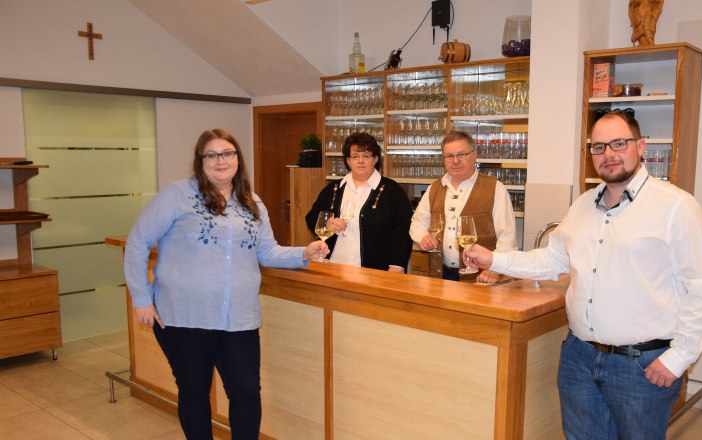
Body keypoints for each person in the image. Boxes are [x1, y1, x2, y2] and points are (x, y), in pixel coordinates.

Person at [464, 111, 702, 439]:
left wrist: (680, 357)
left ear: (640, 146)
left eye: (619, 143)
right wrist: (493, 259)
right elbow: (552, 260)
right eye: (599, 147)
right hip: (579, 356)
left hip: (641, 364)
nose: (609, 154)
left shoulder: (676, 207)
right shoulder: (583, 205)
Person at [124, 128, 328, 440]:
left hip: (240, 319)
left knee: (246, 393)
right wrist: (141, 298)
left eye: (228, 153)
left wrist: (304, 252)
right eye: (212, 154)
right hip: (183, 318)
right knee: (193, 392)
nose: (221, 160)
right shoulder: (177, 194)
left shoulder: (252, 201)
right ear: (201, 160)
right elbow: (138, 242)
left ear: (237, 159)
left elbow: (266, 251)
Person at [409, 131, 517, 283]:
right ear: (444, 159)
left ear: (474, 155)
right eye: (449, 156)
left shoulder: (494, 188)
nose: (455, 161)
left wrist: (494, 269)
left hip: (481, 277)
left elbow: (507, 236)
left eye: (461, 154)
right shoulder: (434, 188)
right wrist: (422, 237)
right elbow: (417, 223)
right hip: (441, 274)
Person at [305, 132, 412, 272]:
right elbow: (312, 217)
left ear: (375, 159)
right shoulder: (333, 189)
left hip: (375, 272)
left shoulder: (393, 191)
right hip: (334, 267)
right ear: (348, 161)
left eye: (366, 156)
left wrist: (397, 265)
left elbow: (404, 231)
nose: (360, 161)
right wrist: (329, 224)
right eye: (355, 156)